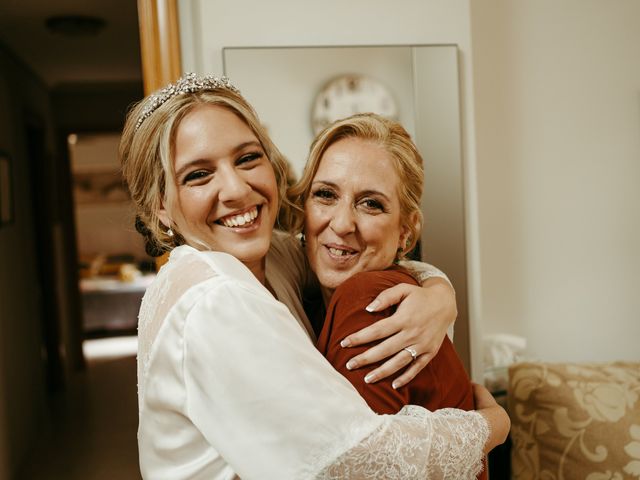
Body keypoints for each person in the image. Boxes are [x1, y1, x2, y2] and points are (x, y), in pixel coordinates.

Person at [121, 73, 510, 479]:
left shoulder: (273, 259)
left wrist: (438, 292)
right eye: (198, 175)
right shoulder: (215, 298)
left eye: (247, 158)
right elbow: (352, 462)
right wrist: (490, 426)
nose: (236, 188)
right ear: (162, 205)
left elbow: (349, 260)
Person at [289, 113, 489, 478]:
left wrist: (492, 427)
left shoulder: (367, 297)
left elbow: (364, 471)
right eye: (325, 195)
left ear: (406, 232)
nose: (342, 223)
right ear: (304, 207)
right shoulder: (309, 293)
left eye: (371, 204)